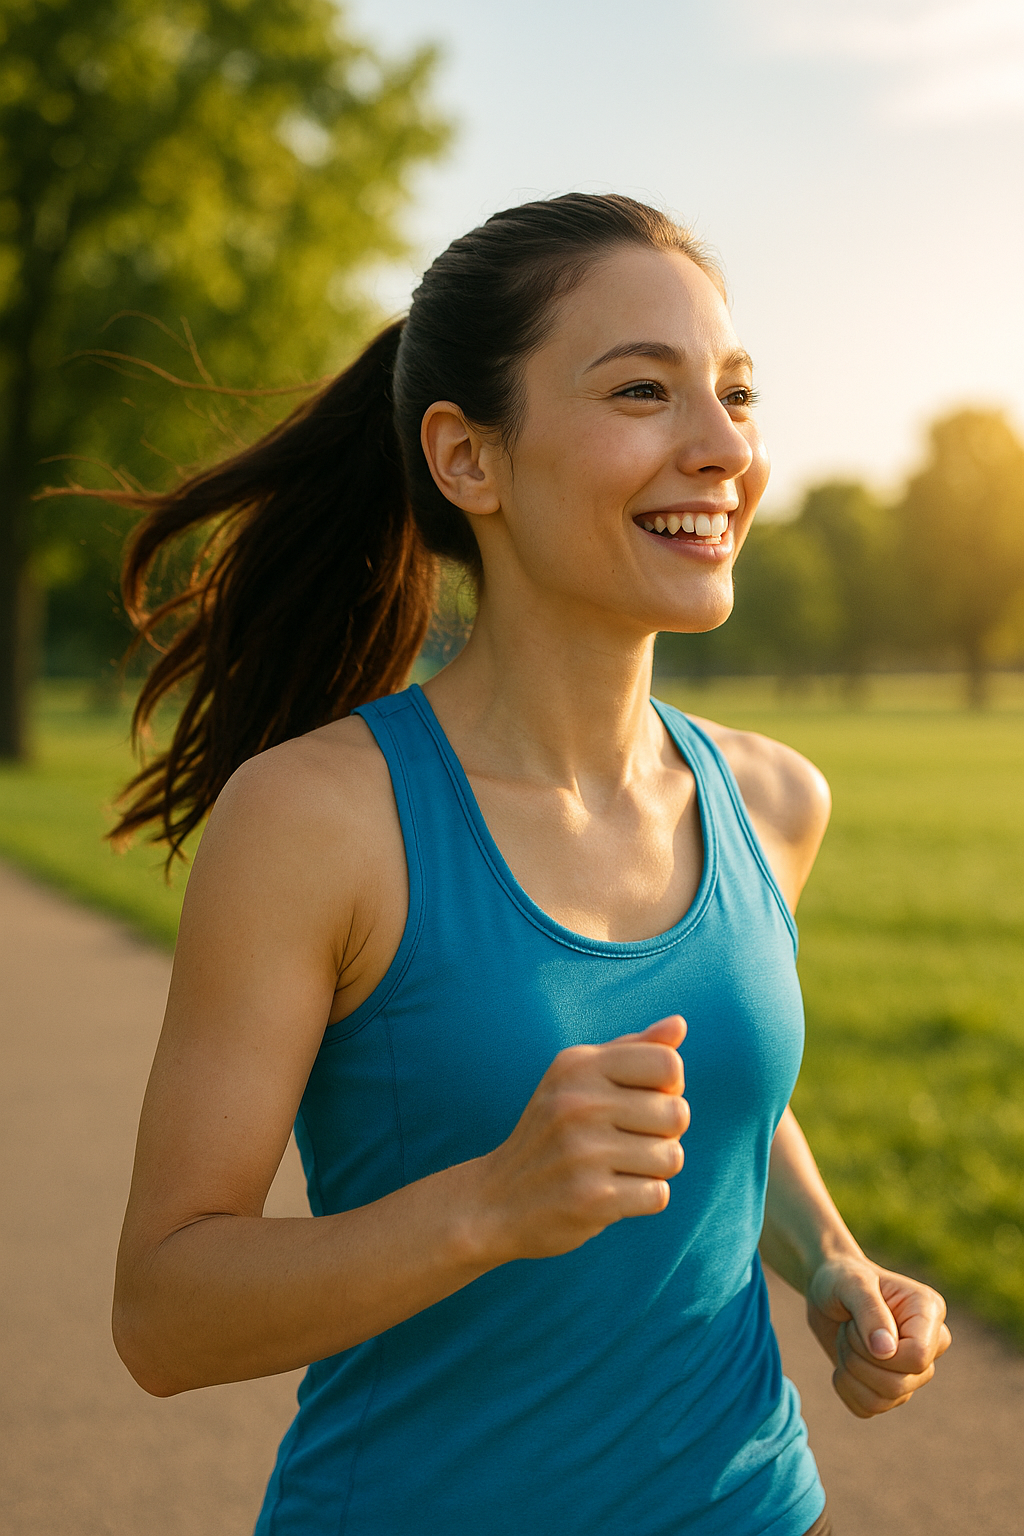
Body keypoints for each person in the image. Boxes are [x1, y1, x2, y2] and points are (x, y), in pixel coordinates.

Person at [111, 194, 950, 1536]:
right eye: (643, 391)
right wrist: (490, 1206)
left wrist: (833, 1261)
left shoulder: (774, 799)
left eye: (736, 396)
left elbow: (717, 1097)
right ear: (468, 458)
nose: (722, 448)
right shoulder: (318, 823)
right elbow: (162, 1316)